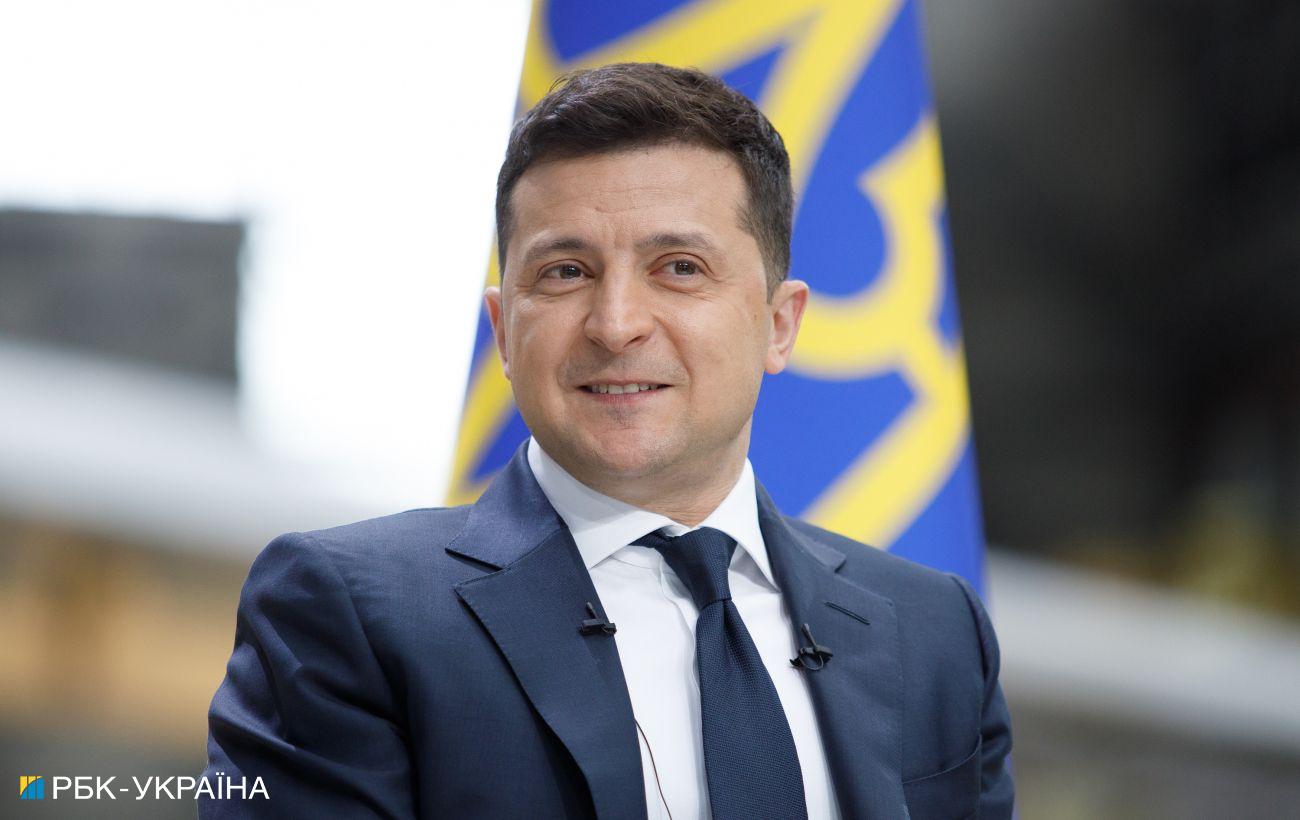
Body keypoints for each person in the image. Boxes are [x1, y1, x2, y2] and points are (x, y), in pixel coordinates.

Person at [201, 62, 1014, 820]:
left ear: (779, 323)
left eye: (680, 268)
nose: (616, 324)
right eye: (566, 272)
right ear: (504, 331)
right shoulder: (349, 613)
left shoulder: (935, 631)